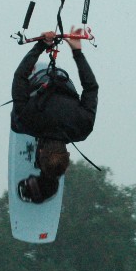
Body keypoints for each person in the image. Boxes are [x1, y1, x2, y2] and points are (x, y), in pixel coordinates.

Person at [10, 31, 98, 204]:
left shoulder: (82, 128)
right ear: (40, 151)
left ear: (68, 154)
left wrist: (77, 51)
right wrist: (40, 46)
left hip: (63, 83)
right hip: (39, 84)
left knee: (19, 118)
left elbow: (91, 87)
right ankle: (43, 179)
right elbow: (19, 76)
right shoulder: (27, 121)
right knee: (17, 123)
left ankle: (47, 180)